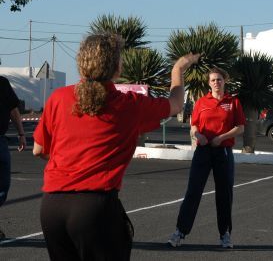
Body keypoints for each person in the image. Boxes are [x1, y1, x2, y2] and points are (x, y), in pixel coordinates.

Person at [32, 33, 199, 260]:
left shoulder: (58, 97)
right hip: (94, 209)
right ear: (116, 68)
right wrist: (178, 69)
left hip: (52, 207)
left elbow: (39, 149)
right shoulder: (129, 104)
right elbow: (176, 103)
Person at [168, 67, 245, 249]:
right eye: (212, 80)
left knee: (224, 194)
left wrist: (222, 138)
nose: (216, 83)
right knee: (193, 191)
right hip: (203, 151)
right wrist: (197, 135)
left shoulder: (233, 102)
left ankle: (224, 234)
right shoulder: (202, 102)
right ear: (208, 83)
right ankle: (180, 232)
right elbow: (193, 126)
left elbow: (240, 127)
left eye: (219, 79)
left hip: (223, 152)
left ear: (224, 81)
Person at [0, 76, 26, 239]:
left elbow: (13, 110)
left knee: (3, 184)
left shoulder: (2, 83)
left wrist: (21, 133)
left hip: (0, 140)